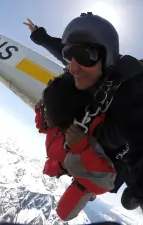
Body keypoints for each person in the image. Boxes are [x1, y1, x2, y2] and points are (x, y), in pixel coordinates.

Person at [25, 13, 143, 222]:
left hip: (108, 156)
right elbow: (69, 51)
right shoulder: (81, 69)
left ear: (107, 55)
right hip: (80, 147)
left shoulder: (130, 94)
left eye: (85, 56)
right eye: (69, 57)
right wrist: (40, 36)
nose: (73, 66)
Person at [35, 73, 115, 221]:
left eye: (48, 111)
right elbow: (44, 128)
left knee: (64, 213)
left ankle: (85, 188)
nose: (45, 113)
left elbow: (106, 183)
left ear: (60, 115)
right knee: (49, 168)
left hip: (83, 164)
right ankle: (66, 169)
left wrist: (81, 147)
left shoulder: (82, 133)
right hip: (65, 158)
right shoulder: (57, 126)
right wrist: (39, 113)